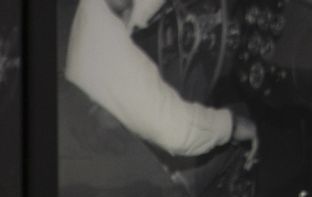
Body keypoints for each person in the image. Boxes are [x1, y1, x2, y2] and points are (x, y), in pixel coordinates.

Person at [64, 0, 258, 165]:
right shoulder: (109, 55)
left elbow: (135, 6)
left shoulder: (98, 8)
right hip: (141, 149)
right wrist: (232, 127)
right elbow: (178, 132)